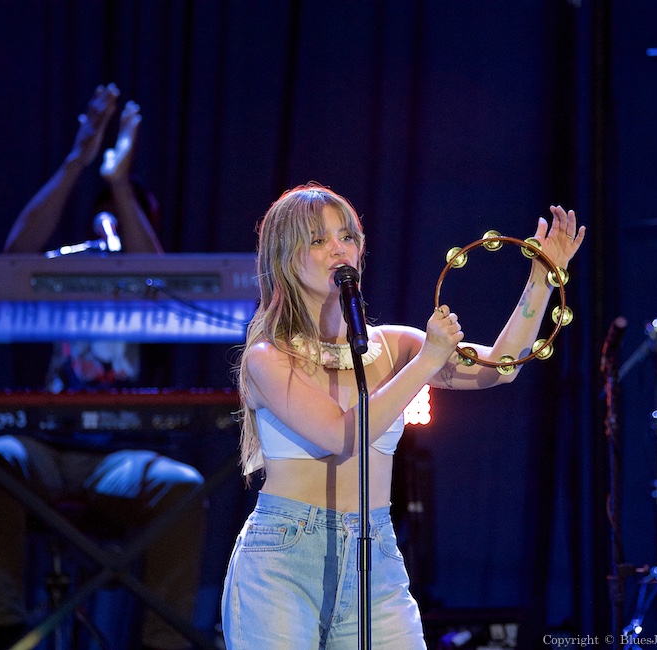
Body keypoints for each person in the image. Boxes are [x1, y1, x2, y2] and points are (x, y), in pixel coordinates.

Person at [220, 183, 586, 648]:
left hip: (374, 548)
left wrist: (542, 278)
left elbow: (500, 368)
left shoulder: (393, 345)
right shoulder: (268, 359)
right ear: (284, 258)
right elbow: (340, 434)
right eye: (318, 240)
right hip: (284, 556)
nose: (339, 249)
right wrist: (426, 363)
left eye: (347, 237)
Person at [0, 83, 205, 650]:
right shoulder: (64, 277)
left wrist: (119, 180)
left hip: (120, 457)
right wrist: (80, 159)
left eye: (123, 221)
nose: (112, 231)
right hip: (45, 448)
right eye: (106, 218)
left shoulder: (157, 290)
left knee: (185, 486)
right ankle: (4, 626)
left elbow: (161, 272)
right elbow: (13, 256)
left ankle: (161, 641)